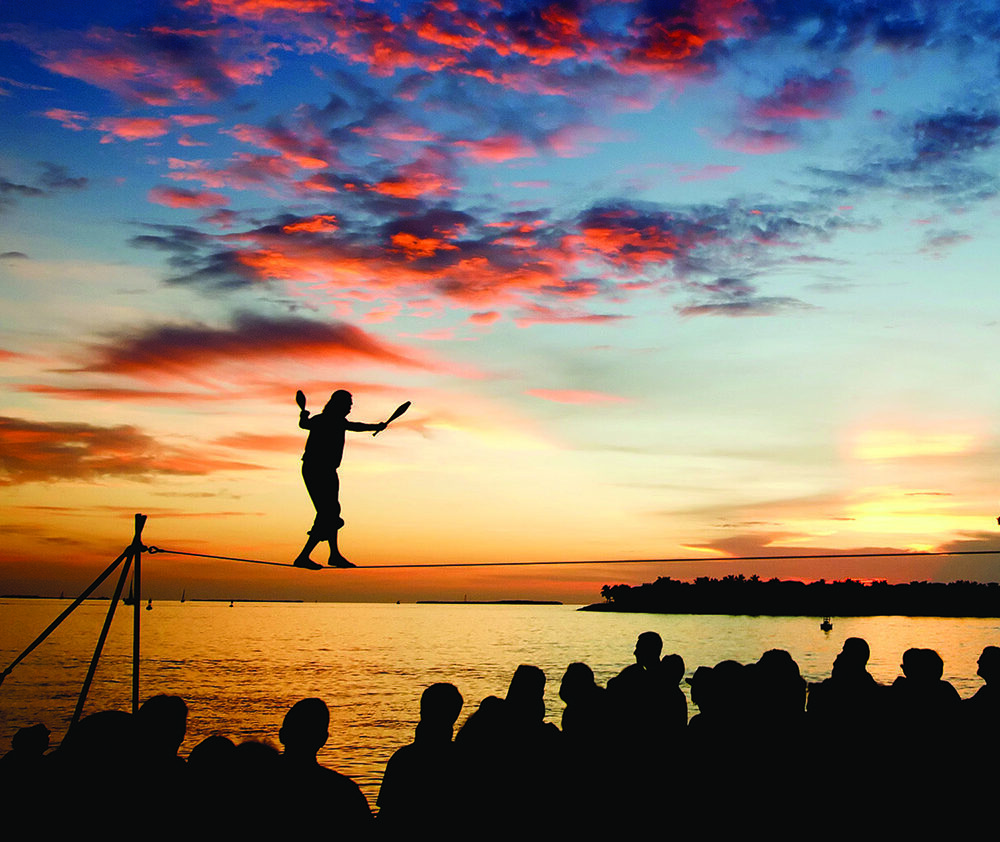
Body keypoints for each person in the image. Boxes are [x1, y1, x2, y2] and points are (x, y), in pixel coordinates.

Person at [294, 390, 386, 569]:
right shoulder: (328, 420)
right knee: (328, 514)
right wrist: (375, 427)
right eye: (348, 404)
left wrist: (303, 414)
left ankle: (333, 555)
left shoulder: (324, 420)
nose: (350, 407)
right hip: (316, 470)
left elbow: (304, 424)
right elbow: (355, 426)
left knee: (331, 512)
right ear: (339, 404)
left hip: (326, 470)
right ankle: (306, 556)